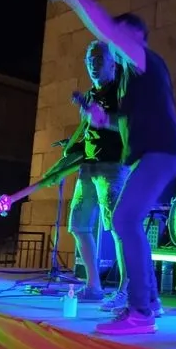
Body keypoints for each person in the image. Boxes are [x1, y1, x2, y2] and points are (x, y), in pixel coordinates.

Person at [49, 0, 176, 335]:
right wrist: (101, 119)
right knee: (129, 220)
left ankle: (139, 311)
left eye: (117, 36)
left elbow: (106, 29)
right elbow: (124, 122)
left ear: (135, 36)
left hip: (162, 151)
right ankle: (149, 301)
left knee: (124, 219)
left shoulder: (144, 59)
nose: (112, 43)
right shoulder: (131, 78)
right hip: (154, 154)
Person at [64, 40, 130, 307]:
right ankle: (94, 286)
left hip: (113, 166)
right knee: (78, 225)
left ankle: (126, 290)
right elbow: (91, 129)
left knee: (119, 227)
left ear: (113, 64)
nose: (93, 64)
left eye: (99, 59)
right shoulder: (91, 94)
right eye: (89, 60)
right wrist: (73, 147)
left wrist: (100, 117)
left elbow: (126, 125)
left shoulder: (121, 90)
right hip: (89, 167)